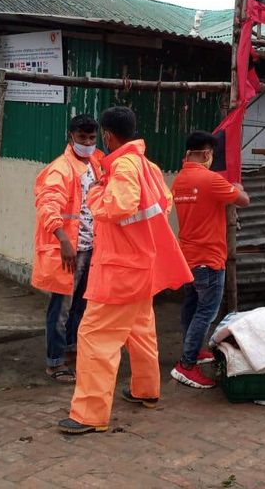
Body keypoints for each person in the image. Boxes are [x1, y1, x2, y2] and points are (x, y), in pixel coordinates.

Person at [58, 106, 193, 435]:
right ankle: (146, 391)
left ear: (107, 135)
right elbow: (164, 200)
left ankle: (89, 415)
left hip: (120, 272)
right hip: (141, 267)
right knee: (141, 331)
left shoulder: (121, 166)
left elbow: (119, 206)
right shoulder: (147, 165)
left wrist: (94, 193)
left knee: (94, 337)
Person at [170, 131, 250, 389]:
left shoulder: (180, 180)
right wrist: (237, 187)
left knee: (191, 307)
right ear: (206, 154)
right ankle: (186, 363)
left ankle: (191, 349)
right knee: (206, 312)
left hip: (187, 257)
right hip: (209, 258)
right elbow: (243, 200)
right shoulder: (210, 179)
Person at [31, 114, 102, 383]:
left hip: (91, 246)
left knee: (80, 305)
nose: (87, 142)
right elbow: (47, 205)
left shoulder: (96, 163)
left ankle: (71, 350)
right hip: (70, 249)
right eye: (82, 138)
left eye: (92, 138)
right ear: (71, 137)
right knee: (61, 306)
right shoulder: (60, 169)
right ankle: (55, 362)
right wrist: (63, 241)